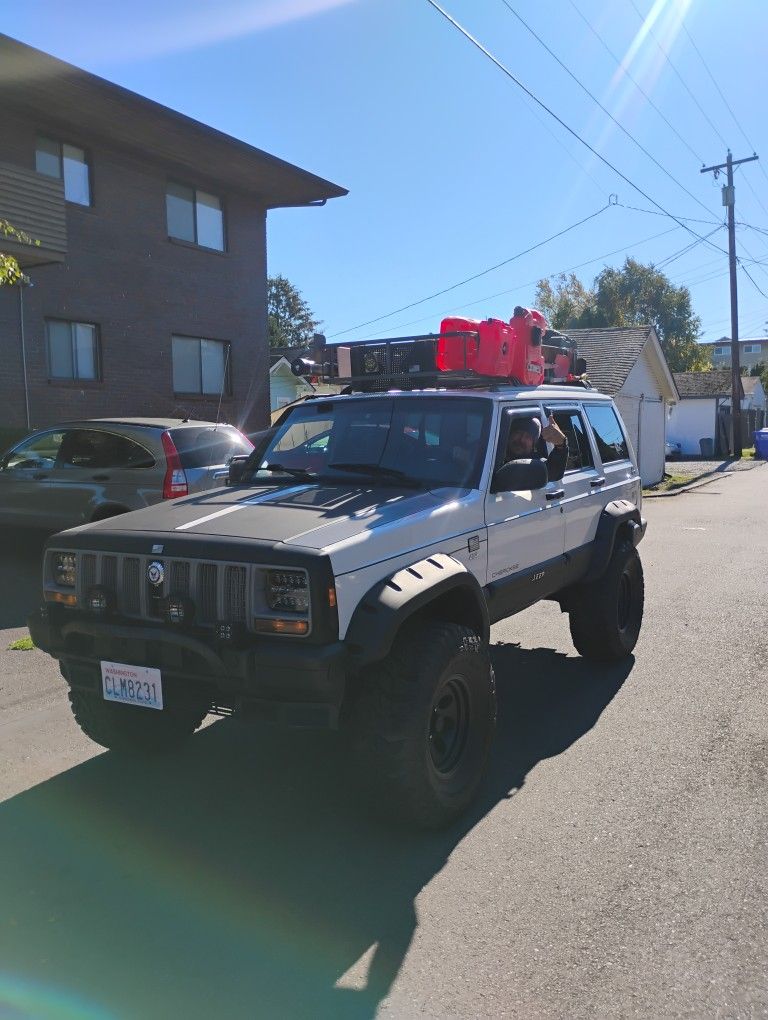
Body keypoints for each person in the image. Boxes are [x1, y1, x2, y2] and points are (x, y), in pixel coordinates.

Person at [505, 415, 568, 482]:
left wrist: (561, 446)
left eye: (528, 437)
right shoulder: (494, 453)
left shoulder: (534, 463)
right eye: (518, 433)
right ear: (510, 435)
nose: (522, 440)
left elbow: (553, 472)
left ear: (533, 444)